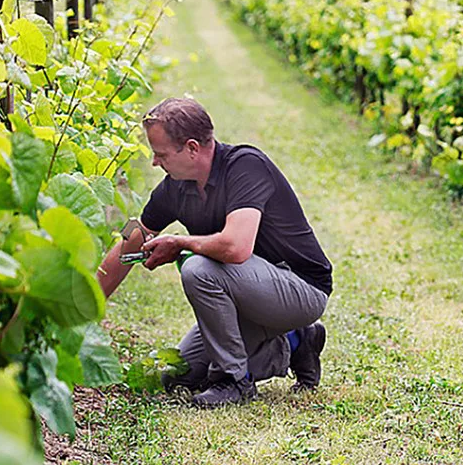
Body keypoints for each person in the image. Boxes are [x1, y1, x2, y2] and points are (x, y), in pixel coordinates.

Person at [95, 97, 333, 408]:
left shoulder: (245, 166)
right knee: (178, 374)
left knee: (198, 268)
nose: (154, 162)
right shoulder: (175, 188)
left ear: (192, 148)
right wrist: (86, 305)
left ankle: (234, 381)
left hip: (299, 288)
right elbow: (134, 234)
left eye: (161, 154)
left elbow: (236, 247)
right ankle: (298, 342)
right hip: (250, 295)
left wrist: (180, 243)